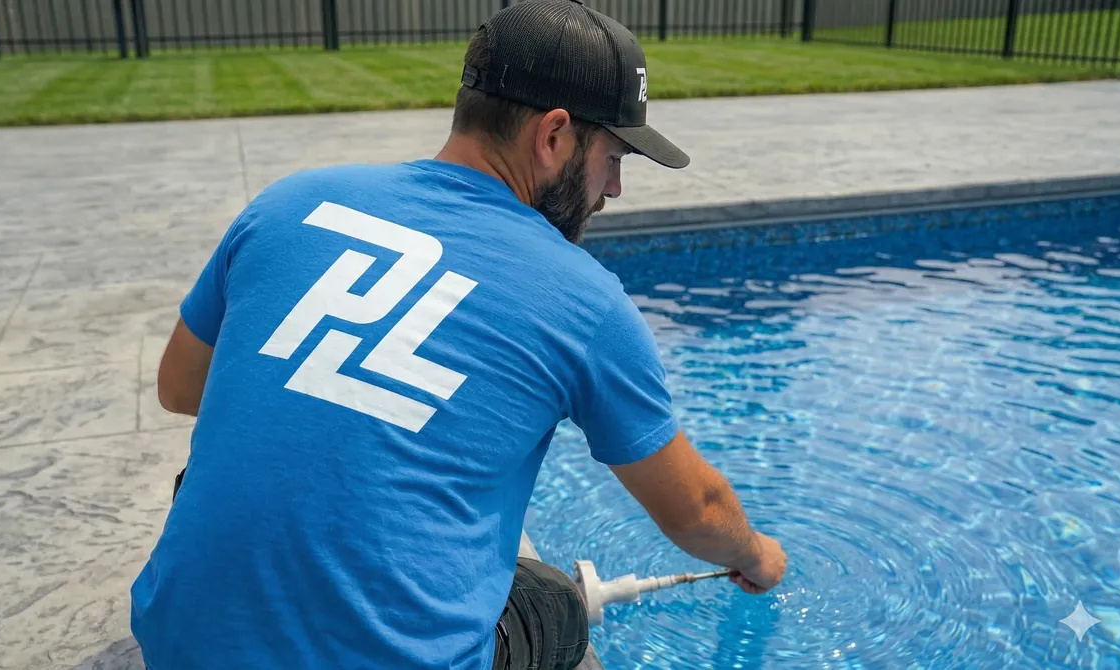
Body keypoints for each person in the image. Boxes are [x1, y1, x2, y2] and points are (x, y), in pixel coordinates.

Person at [129, 1, 787, 668]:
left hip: (179, 642)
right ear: (554, 135)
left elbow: (180, 387)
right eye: (612, 156)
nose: (612, 188)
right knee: (552, 598)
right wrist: (759, 555)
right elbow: (698, 512)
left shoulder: (289, 202)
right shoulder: (583, 300)